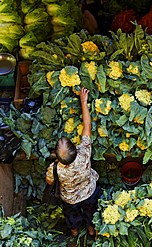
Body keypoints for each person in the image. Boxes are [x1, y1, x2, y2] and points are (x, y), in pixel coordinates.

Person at [46, 87, 100, 237]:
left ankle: (74, 232)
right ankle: (91, 230)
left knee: (72, 215)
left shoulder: (54, 168)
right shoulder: (84, 153)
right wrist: (83, 101)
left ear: (57, 157)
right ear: (76, 149)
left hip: (69, 199)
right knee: (91, 211)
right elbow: (87, 126)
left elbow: (50, 182)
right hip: (89, 192)